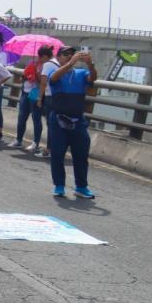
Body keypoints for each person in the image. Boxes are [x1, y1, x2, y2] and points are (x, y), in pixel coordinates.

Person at [46, 47, 98, 198]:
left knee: (81, 155)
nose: (69, 57)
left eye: (72, 55)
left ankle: (81, 187)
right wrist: (70, 64)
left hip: (78, 120)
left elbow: (93, 78)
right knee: (57, 154)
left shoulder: (81, 73)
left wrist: (90, 64)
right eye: (66, 55)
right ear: (58, 57)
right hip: (58, 120)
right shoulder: (55, 72)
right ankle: (59, 185)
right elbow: (53, 79)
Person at [10, 45, 52, 155]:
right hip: (25, 91)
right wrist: (26, 75)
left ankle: (35, 143)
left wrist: (37, 73)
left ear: (46, 57)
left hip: (35, 92)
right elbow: (24, 76)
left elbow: (43, 82)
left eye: (41, 56)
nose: (39, 58)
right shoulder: (32, 62)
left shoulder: (48, 66)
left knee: (36, 118)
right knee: (22, 116)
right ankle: (18, 139)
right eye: (39, 56)